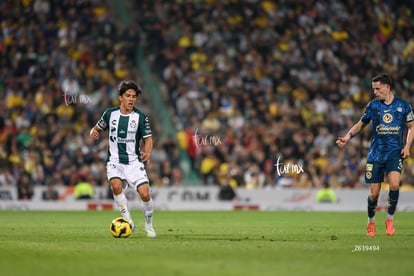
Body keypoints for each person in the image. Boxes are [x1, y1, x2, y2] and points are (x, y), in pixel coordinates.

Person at [336, 73, 414, 236]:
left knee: (394, 184)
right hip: (375, 154)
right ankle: (371, 222)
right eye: (373, 89)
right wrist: (347, 137)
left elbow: (411, 127)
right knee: (374, 194)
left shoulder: (403, 106)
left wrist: (407, 146)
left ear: (387, 87)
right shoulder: (373, 106)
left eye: (377, 89)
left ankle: (390, 219)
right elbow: (361, 124)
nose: (375, 92)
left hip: (394, 153)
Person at [89, 80, 156, 238]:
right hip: (114, 161)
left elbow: (148, 140)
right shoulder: (110, 114)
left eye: (134, 96)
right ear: (120, 97)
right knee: (116, 186)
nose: (131, 99)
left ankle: (149, 225)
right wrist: (93, 131)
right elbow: (97, 127)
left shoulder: (140, 117)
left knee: (145, 194)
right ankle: (128, 222)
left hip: (134, 162)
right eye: (128, 96)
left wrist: (147, 153)